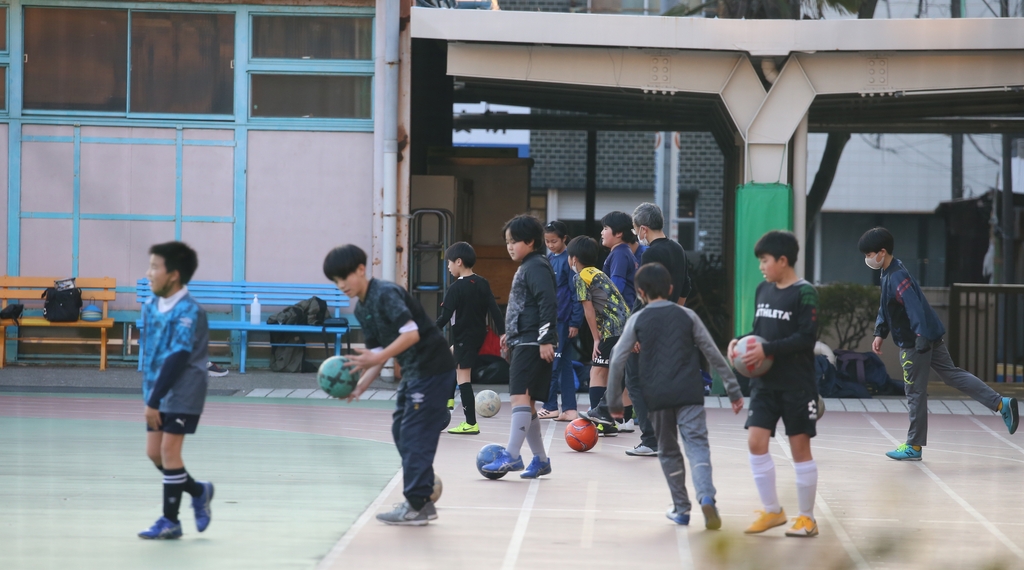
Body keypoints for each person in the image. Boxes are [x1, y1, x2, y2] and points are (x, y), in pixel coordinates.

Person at [859, 227, 1018, 461]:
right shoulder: (891, 271)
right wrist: (880, 332)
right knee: (951, 374)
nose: (867, 259)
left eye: (869, 254)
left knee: (914, 392)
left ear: (882, 252)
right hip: (928, 334)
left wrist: (920, 336)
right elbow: (887, 306)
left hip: (916, 341)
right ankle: (1001, 404)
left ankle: (913, 445)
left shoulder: (896, 276)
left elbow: (913, 306)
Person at [324, 245, 456, 525]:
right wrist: (360, 387)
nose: (340, 285)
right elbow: (376, 354)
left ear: (361, 269)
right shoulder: (362, 309)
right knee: (401, 429)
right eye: (335, 281)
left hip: (432, 368)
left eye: (343, 277)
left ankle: (416, 504)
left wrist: (380, 356)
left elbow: (410, 334)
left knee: (414, 433)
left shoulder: (385, 293)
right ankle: (421, 499)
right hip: (414, 372)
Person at [607, 263, 744, 529]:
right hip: (689, 393)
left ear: (639, 291)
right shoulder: (688, 316)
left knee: (669, 452)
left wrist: (614, 401)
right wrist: (734, 389)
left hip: (656, 397)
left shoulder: (638, 319)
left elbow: (616, 359)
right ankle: (706, 496)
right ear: (671, 289)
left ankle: (681, 508)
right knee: (697, 447)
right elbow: (713, 353)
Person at [728, 230, 820, 538]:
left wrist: (768, 350)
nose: (761, 266)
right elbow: (759, 331)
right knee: (756, 442)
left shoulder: (804, 292)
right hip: (765, 384)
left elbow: (807, 338)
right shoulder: (762, 290)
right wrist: (739, 343)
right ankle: (772, 511)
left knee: (799, 449)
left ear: (783, 260)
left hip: (797, 384)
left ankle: (807, 518)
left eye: (765, 261)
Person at [138, 241, 214, 540]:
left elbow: (178, 356)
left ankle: (170, 521)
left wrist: (154, 399)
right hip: (157, 389)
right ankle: (199, 491)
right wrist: (151, 394)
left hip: (184, 389)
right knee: (154, 453)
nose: (149, 273)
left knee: (169, 452)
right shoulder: (150, 306)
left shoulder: (189, 311)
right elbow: (154, 353)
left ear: (174, 275)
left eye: (155, 267)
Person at [481, 215, 559, 478]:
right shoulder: (530, 265)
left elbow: (547, 302)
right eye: (507, 242)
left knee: (519, 397)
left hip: (532, 342)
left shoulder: (536, 266)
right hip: (523, 340)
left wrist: (546, 339)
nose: (510, 246)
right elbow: (526, 305)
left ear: (530, 241)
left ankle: (512, 456)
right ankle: (540, 459)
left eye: (514, 241)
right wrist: (510, 334)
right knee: (528, 403)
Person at [435, 241, 506, 435]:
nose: (448, 267)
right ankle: (449, 400)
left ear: (458, 261)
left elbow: (444, 317)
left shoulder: (456, 288)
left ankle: (470, 423)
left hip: (463, 338)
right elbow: (494, 310)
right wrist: (502, 332)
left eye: (449, 263)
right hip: (476, 336)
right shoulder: (482, 283)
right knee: (448, 359)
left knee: (463, 378)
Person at [567, 235, 631, 437]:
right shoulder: (597, 273)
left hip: (612, 329)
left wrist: (596, 338)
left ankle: (600, 419)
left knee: (597, 372)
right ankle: (614, 420)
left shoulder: (580, 277)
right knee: (616, 373)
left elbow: (589, 310)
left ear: (573, 259)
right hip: (626, 326)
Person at [539, 221, 584, 421]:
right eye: (547, 241)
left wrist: (575, 322)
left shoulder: (569, 261)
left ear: (564, 239)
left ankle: (550, 406)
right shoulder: (549, 258)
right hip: (553, 319)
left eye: (554, 241)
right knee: (565, 364)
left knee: (552, 363)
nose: (550, 244)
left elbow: (576, 294)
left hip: (563, 320)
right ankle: (569, 409)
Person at [600, 211, 640, 308]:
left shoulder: (620, 254)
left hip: (620, 315)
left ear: (618, 233)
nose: (602, 232)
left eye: (605, 228)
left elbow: (616, 287)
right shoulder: (623, 251)